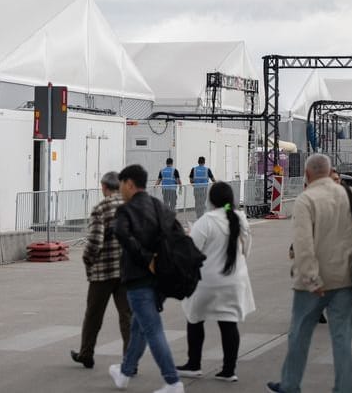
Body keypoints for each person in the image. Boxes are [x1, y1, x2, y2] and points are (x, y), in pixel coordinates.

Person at [267, 154, 352, 393]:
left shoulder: (306, 200)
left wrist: (311, 277)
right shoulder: (351, 195)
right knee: (342, 339)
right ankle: (344, 388)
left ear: (307, 175)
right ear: (330, 172)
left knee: (299, 336)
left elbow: (303, 244)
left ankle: (290, 385)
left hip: (311, 284)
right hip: (345, 280)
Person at [110, 164, 184, 393]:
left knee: (152, 329)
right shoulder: (157, 205)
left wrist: (146, 258)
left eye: (121, 184)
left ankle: (173, 382)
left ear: (129, 184)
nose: (120, 189)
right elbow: (178, 232)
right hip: (158, 281)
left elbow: (121, 233)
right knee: (138, 328)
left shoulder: (126, 210)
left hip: (138, 280)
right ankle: (125, 372)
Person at [176, 181, 254, 383]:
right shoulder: (240, 219)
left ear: (211, 199)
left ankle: (194, 364)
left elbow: (192, 251)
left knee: (195, 318)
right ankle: (229, 370)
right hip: (234, 280)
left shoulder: (206, 221)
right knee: (229, 324)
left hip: (207, 281)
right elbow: (246, 250)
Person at [70, 171, 131, 370]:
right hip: (126, 270)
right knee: (127, 316)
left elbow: (95, 241)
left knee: (93, 315)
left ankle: (86, 353)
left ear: (104, 187)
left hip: (103, 271)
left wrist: (87, 259)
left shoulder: (101, 208)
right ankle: (130, 359)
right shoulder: (129, 206)